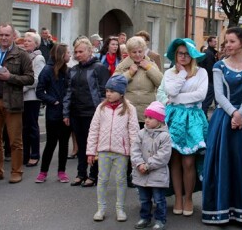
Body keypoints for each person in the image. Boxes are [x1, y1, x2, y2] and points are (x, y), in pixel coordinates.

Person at [202, 27, 242, 225]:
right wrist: (234, 113)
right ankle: (221, 210)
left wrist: (241, 114)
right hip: (224, 119)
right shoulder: (219, 65)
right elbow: (218, 95)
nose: (227, 45)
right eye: (226, 42)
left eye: (232, 41)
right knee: (224, 162)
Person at [0, 24, 34, 184]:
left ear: (13, 36)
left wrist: (10, 77)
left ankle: (17, 171)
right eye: (1, 35)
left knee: (15, 141)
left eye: (7, 35)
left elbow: (30, 78)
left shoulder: (21, 54)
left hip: (12, 102)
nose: (3, 38)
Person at [163, 38, 208, 216]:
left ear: (193, 55)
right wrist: (181, 74)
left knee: (188, 160)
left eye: (187, 53)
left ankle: (189, 198)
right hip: (173, 118)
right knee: (174, 159)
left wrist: (176, 99)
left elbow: (201, 95)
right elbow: (171, 92)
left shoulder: (202, 72)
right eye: (180, 53)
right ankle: (178, 197)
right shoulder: (170, 73)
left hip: (194, 119)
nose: (183, 56)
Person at [86, 75, 139, 222]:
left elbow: (134, 131)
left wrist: (135, 153)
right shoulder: (101, 107)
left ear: (121, 93)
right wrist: (91, 151)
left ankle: (120, 208)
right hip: (103, 151)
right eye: (107, 91)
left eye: (112, 91)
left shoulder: (130, 109)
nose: (108, 94)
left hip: (121, 152)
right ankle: (101, 208)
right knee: (102, 179)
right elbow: (94, 129)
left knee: (121, 180)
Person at [114, 36, 163, 187]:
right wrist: (129, 73)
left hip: (148, 111)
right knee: (131, 143)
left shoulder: (151, 63)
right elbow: (114, 84)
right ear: (128, 52)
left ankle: (147, 170)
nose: (137, 55)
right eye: (133, 52)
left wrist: (148, 68)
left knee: (147, 143)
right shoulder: (123, 65)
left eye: (140, 51)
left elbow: (161, 82)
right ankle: (131, 173)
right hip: (130, 109)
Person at [63, 37, 109, 187]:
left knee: (93, 145)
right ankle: (80, 173)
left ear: (90, 51)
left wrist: (102, 112)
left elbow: (104, 92)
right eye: (76, 52)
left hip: (93, 112)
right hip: (76, 112)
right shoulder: (73, 70)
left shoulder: (99, 68)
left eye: (81, 51)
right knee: (81, 145)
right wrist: (66, 113)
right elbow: (68, 92)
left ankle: (93, 175)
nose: (78, 54)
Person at [131, 101, 172, 230]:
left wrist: (148, 165)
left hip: (157, 175)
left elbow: (163, 156)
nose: (147, 120)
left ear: (159, 120)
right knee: (144, 199)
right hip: (141, 172)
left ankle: (160, 219)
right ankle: (145, 217)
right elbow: (135, 150)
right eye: (146, 117)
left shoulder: (165, 136)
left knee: (159, 199)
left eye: (150, 118)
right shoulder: (141, 133)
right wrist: (139, 164)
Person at [35, 43, 72, 183]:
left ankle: (61, 172)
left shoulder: (68, 71)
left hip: (66, 113)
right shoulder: (47, 70)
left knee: (64, 144)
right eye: (68, 53)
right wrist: (53, 101)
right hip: (53, 113)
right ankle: (43, 172)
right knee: (50, 143)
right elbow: (39, 91)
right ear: (62, 55)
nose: (70, 55)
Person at [22, 32, 45, 167]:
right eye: (25, 40)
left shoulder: (38, 58)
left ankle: (34, 155)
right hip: (22, 98)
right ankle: (25, 155)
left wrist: (21, 87)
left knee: (32, 127)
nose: (26, 43)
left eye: (29, 41)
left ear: (36, 44)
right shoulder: (23, 57)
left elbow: (37, 80)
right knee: (24, 128)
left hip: (32, 97)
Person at [199, 36, 218, 117]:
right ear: (209, 42)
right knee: (207, 101)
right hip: (210, 80)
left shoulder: (211, 53)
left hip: (209, 80)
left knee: (208, 101)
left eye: (216, 41)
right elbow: (210, 68)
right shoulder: (209, 53)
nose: (216, 43)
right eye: (214, 41)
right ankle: (203, 118)